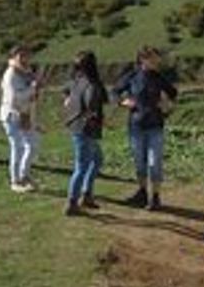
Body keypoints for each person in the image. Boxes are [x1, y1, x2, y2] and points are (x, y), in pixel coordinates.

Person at [113, 46, 178, 210]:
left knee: (154, 163)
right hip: (136, 126)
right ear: (143, 59)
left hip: (155, 126)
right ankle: (142, 193)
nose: (157, 61)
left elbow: (173, 93)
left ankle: (155, 197)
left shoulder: (159, 77)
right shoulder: (132, 76)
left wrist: (167, 107)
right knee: (139, 162)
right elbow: (115, 91)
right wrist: (123, 102)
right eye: (153, 58)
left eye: (157, 58)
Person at [61, 50, 108, 216]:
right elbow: (92, 106)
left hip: (78, 128)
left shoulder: (75, 81)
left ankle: (86, 195)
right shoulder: (92, 84)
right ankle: (72, 203)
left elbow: (65, 91)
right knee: (81, 167)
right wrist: (95, 116)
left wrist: (68, 101)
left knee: (96, 160)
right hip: (86, 129)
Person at [0, 45, 42, 192]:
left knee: (33, 144)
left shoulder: (28, 73)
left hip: (26, 114)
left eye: (26, 55)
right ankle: (15, 181)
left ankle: (25, 176)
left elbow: (32, 96)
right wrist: (32, 88)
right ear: (13, 57)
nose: (24, 59)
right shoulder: (10, 74)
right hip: (12, 115)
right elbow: (14, 98)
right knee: (17, 146)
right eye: (20, 56)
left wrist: (35, 90)